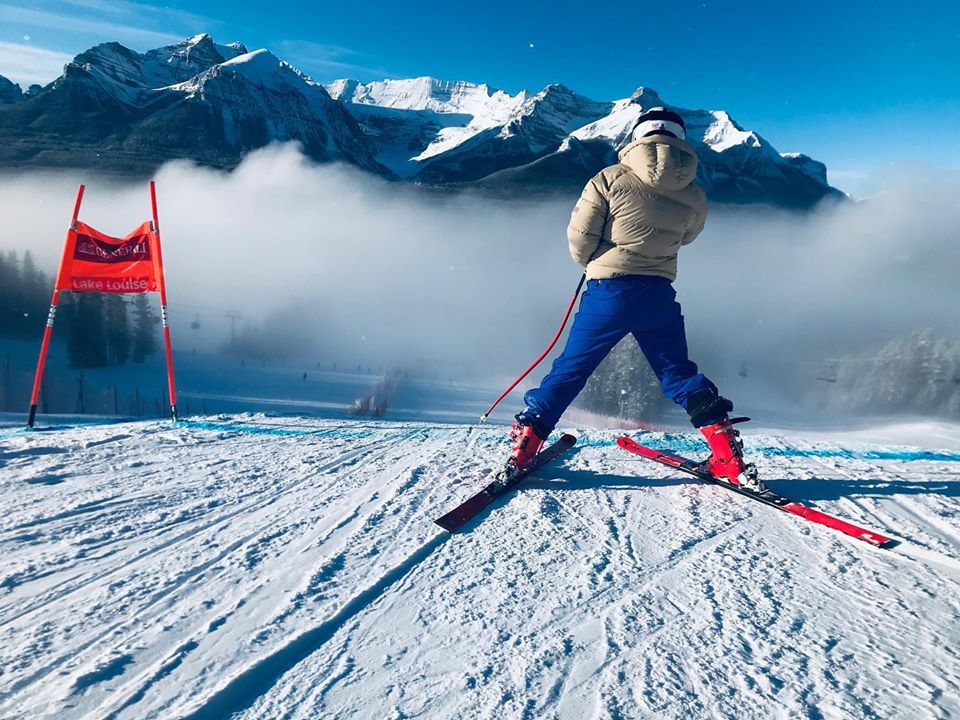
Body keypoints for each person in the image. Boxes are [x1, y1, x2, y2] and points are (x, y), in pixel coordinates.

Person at [506, 107, 763, 492]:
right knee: (678, 373)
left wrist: (594, 262)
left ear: (638, 136)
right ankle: (727, 456)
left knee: (571, 370)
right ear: (679, 138)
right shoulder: (693, 190)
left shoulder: (608, 178)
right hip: (658, 293)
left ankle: (526, 447)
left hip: (608, 292)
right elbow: (687, 236)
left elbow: (580, 237)